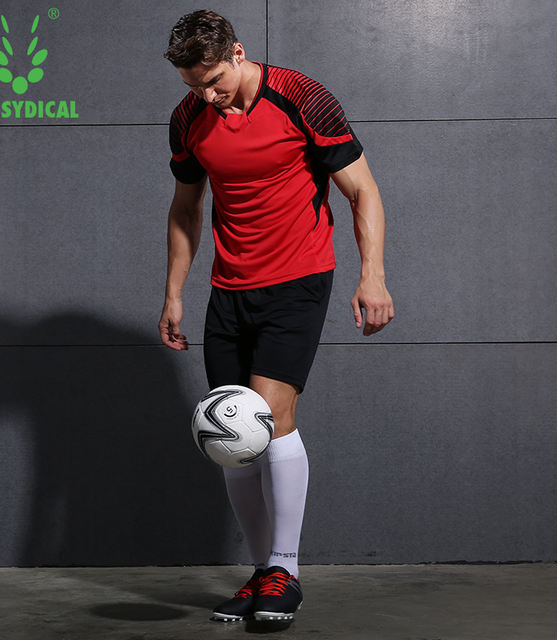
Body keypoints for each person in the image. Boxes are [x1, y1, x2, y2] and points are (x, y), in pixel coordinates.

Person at [159, 9, 394, 623]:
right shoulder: (188, 119)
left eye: (215, 81)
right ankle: (263, 571)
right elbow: (185, 209)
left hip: (298, 278)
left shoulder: (302, 98)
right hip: (229, 286)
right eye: (194, 87)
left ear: (237, 54)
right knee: (232, 438)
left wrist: (372, 275)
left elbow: (363, 190)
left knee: (269, 418)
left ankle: (285, 571)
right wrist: (174, 293)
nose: (208, 96)